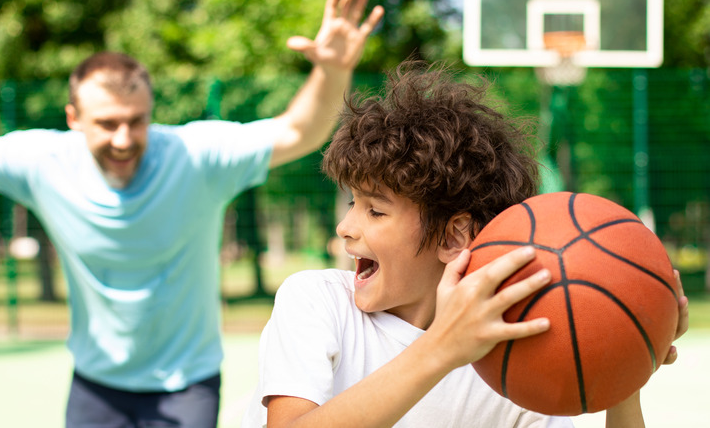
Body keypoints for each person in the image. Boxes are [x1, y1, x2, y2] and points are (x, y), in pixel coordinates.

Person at [0, 0, 384, 426]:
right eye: (107, 124)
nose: (124, 139)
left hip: (187, 383)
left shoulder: (195, 156)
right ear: (73, 119)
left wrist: (331, 71)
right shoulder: (44, 162)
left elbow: (297, 133)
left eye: (136, 121)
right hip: (96, 384)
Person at [243, 62, 690, 428]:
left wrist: (627, 354)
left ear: (454, 236)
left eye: (375, 211)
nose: (345, 227)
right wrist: (441, 348)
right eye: (352, 203)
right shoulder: (317, 302)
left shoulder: (514, 357)